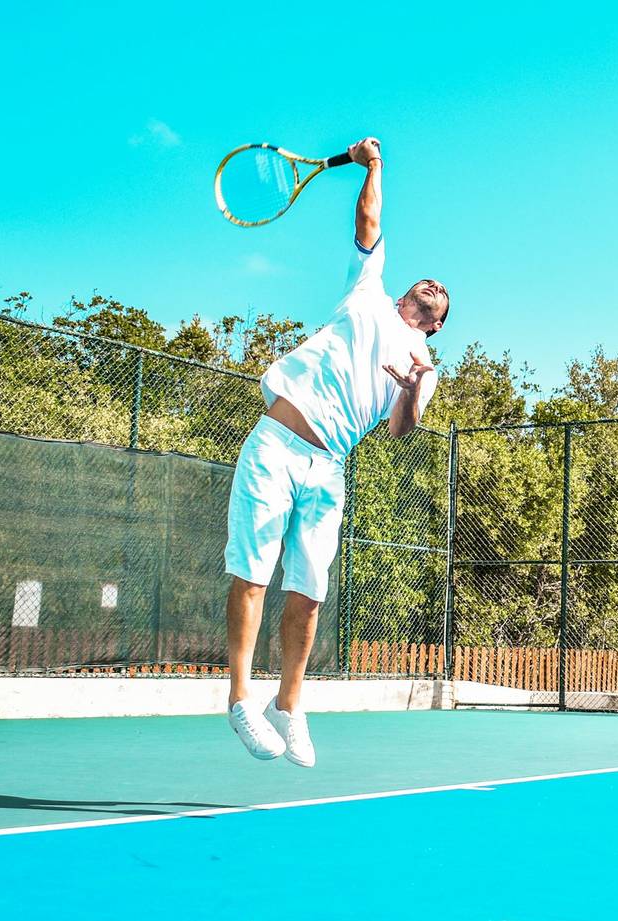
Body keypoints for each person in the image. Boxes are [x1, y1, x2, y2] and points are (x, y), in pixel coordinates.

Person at [222, 136, 447, 767]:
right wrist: (373, 164)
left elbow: (401, 430)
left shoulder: (424, 366)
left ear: (436, 324)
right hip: (276, 444)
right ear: (406, 295)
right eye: (427, 282)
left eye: (442, 295)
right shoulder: (367, 290)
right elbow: (369, 217)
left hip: (329, 469)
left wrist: (409, 392)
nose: (433, 285)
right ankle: (240, 700)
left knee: (310, 590)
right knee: (252, 574)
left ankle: (289, 706)